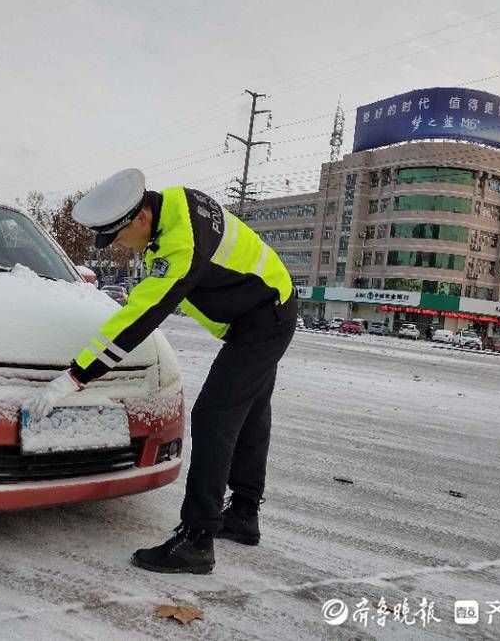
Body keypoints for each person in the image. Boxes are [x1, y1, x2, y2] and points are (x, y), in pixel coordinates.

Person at [25, 169, 297, 575]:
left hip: (264, 319)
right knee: (251, 414)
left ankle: (196, 540)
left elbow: (139, 318)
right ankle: (242, 513)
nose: (118, 247)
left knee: (214, 417)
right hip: (266, 309)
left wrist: (75, 376)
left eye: (117, 238)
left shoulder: (179, 241)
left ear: (140, 219)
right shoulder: (174, 207)